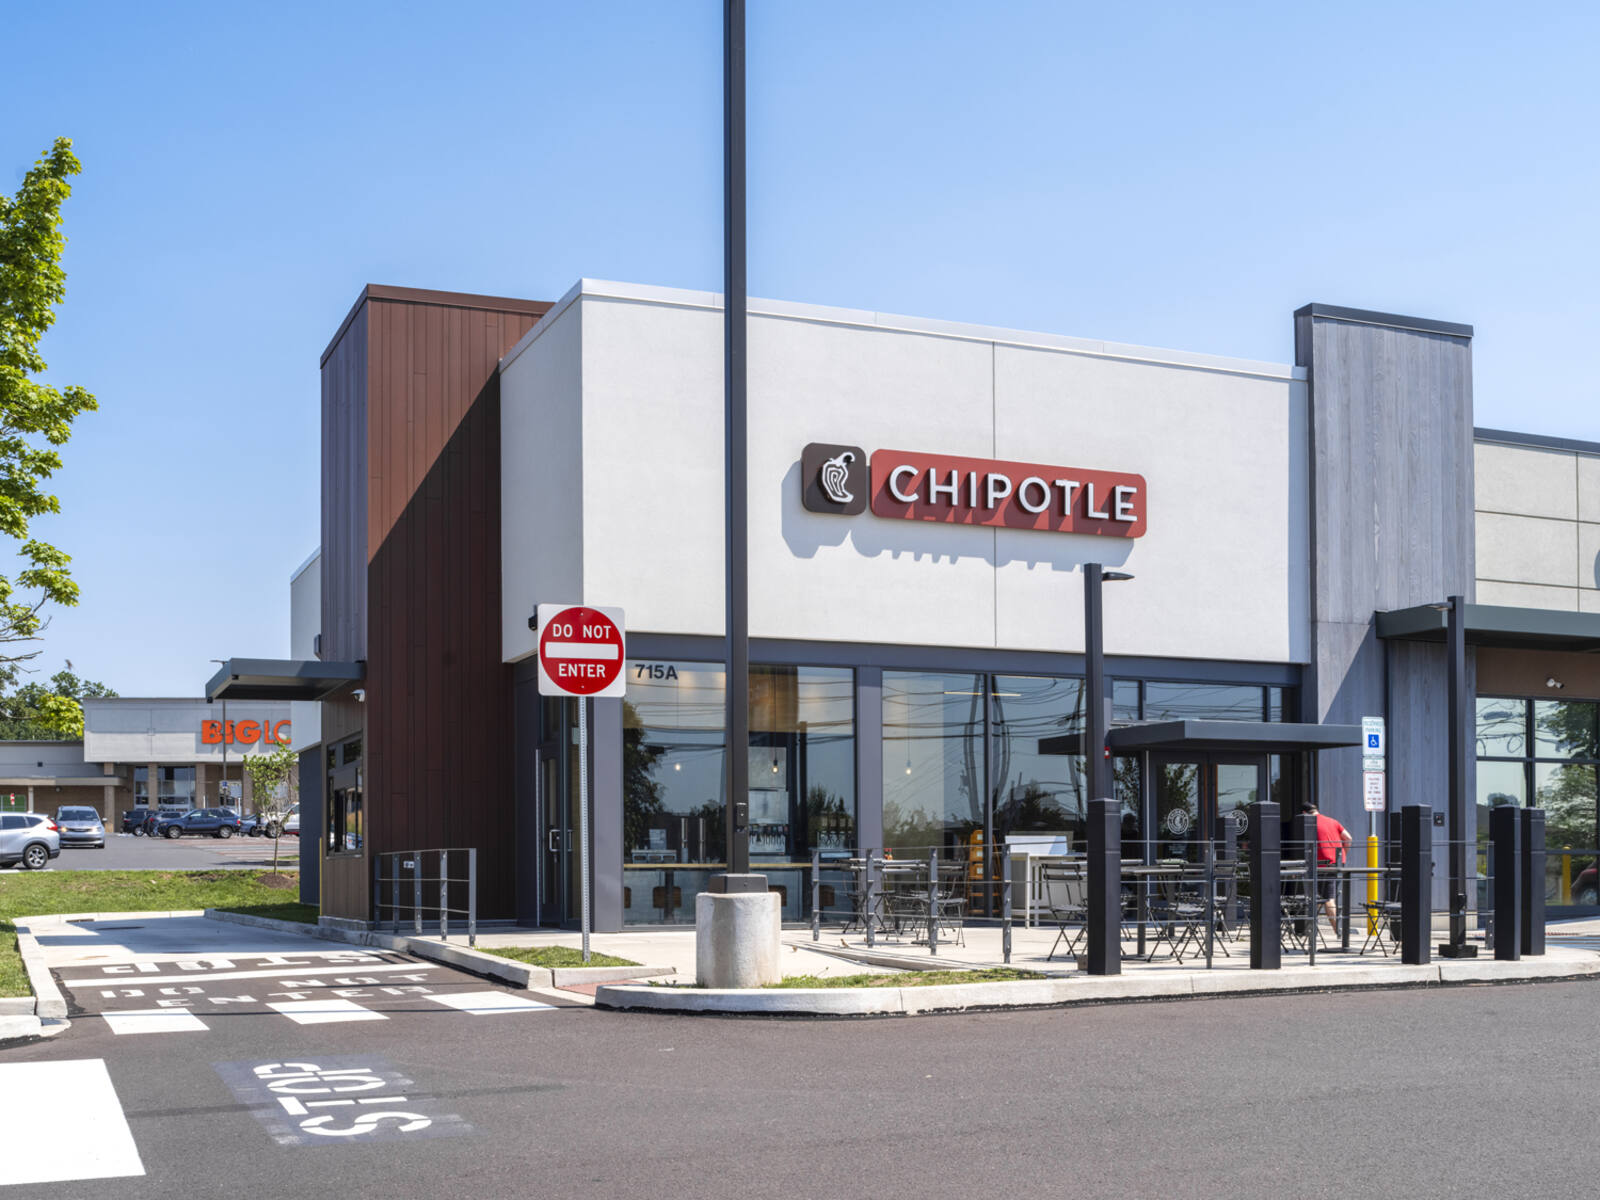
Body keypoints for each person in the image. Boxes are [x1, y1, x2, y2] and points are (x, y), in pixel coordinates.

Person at [1303, 801, 1352, 933]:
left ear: (1304, 813)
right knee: (1319, 897)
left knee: (1327, 899)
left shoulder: (1309, 823)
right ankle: (1310, 928)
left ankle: (1339, 931)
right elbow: (1348, 838)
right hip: (1335, 863)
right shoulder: (1333, 821)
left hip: (1321, 865)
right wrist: (1342, 856)